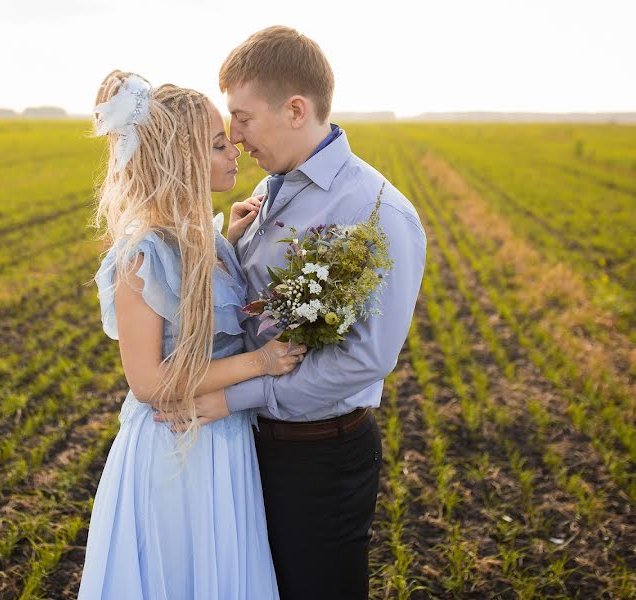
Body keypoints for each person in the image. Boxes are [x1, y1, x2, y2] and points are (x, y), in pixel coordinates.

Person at [156, 26, 428, 599]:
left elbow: (366, 359)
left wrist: (233, 396)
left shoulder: (376, 214)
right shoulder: (272, 188)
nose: (234, 136)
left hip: (317, 458)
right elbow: (250, 307)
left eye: (243, 117)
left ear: (296, 109)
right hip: (250, 446)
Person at [76, 70, 307, 599]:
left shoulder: (211, 242)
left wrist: (228, 242)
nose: (235, 153)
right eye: (218, 145)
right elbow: (149, 382)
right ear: (181, 160)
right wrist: (262, 362)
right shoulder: (141, 257)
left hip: (222, 442)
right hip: (174, 451)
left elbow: (202, 317)